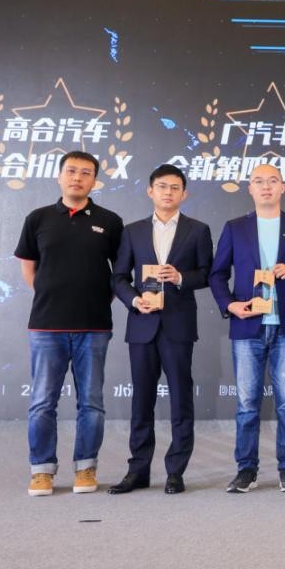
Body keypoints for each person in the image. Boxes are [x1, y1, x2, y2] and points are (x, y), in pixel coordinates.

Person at [15, 151, 123, 496]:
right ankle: (41, 471)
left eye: (86, 173)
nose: (78, 177)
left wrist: (94, 300)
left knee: (91, 402)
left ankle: (86, 467)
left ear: (95, 181)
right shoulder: (38, 218)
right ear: (60, 176)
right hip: (47, 326)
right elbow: (29, 268)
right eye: (72, 171)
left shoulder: (110, 221)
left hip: (94, 326)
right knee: (42, 402)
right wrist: (52, 296)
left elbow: (119, 274)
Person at [209, 163, 285, 493]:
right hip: (247, 325)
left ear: (283, 187)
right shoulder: (235, 227)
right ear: (250, 188)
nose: (266, 186)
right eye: (258, 181)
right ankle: (246, 469)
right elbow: (217, 274)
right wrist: (229, 304)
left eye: (272, 180)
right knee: (246, 404)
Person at [109, 164, 213, 495]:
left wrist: (180, 277)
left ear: (185, 194)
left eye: (175, 187)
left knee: (181, 399)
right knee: (142, 400)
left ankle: (175, 471)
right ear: (150, 191)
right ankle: (138, 470)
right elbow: (118, 277)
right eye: (162, 186)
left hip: (178, 325)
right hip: (142, 324)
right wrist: (133, 300)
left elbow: (207, 273)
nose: (168, 192)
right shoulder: (132, 231)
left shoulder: (198, 230)